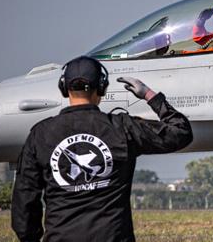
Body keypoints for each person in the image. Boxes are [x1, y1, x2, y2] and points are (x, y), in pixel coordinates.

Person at [11, 56, 193, 242]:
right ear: (102, 86)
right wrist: (149, 95)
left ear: (64, 88)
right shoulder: (123, 128)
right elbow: (181, 132)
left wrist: (30, 238)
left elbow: (24, 201)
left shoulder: (41, 134)